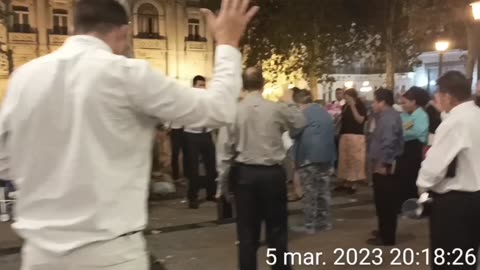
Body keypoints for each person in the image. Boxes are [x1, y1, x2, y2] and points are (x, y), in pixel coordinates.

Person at [0, 0, 259, 269]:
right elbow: (218, 109)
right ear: (123, 33)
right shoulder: (127, 75)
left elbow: (5, 163)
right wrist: (227, 43)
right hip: (110, 252)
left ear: (72, 28)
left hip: (39, 256)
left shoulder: (24, 78)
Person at [216, 67, 305, 270]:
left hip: (245, 175)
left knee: (246, 235)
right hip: (272, 175)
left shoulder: (233, 111)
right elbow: (300, 122)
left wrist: (222, 184)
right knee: (277, 232)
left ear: (242, 85)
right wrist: (289, 100)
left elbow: (224, 152)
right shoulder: (276, 109)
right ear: (263, 85)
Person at [417, 71, 480, 270]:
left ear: (448, 96)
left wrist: (422, 187)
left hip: (455, 203)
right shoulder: (474, 114)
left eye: (437, 95)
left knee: (449, 261)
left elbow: (433, 168)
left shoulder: (454, 123)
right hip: (475, 199)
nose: (436, 99)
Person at [290, 90, 336, 234]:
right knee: (323, 191)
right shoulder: (324, 113)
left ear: (299, 103)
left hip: (308, 157)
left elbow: (293, 132)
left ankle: (310, 225)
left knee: (310, 192)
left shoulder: (303, 114)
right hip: (326, 156)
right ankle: (325, 222)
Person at [367, 88, 404, 246]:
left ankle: (387, 236)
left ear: (382, 102)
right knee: (382, 202)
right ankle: (383, 230)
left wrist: (383, 163)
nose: (372, 104)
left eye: (375, 101)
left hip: (385, 166)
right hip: (382, 163)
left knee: (385, 203)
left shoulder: (388, 118)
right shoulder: (385, 116)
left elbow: (388, 142)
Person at [183, 75, 218, 209]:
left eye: (203, 85)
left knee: (211, 165)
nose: (202, 88)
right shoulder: (189, 99)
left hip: (206, 134)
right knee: (194, 168)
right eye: (199, 85)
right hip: (192, 135)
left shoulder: (207, 99)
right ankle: (193, 197)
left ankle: (211, 193)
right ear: (194, 86)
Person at [397, 87, 430, 202]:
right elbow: (401, 129)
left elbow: (416, 132)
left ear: (413, 102)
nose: (402, 105)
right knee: (403, 175)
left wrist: (403, 132)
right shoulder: (406, 115)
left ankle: (412, 201)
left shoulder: (421, 115)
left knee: (411, 175)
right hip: (404, 148)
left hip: (415, 149)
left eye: (404, 102)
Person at [336, 88, 368, 194]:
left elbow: (360, 120)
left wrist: (353, 106)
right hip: (345, 135)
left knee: (354, 160)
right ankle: (345, 182)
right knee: (344, 160)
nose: (345, 99)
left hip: (356, 136)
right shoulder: (345, 106)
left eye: (347, 97)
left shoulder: (360, 105)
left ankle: (353, 184)